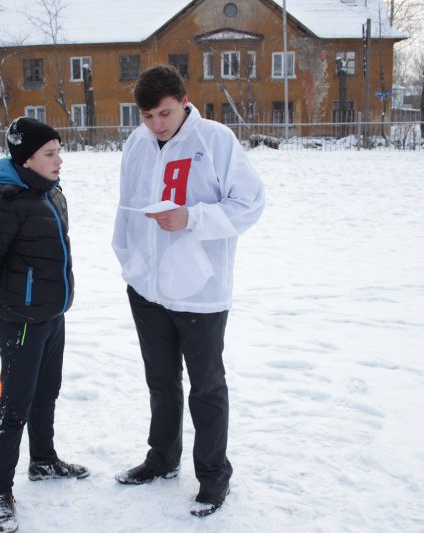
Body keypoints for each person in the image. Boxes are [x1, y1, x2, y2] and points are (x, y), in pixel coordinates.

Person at [111, 65, 265, 517]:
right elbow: (126, 207)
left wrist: (192, 217)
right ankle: (162, 459)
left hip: (200, 290)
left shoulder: (216, 140)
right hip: (147, 287)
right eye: (147, 116)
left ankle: (214, 476)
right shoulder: (137, 143)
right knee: (160, 382)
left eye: (164, 113)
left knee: (207, 387)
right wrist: (128, 260)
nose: (157, 125)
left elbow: (250, 204)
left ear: (184, 100)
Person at [0, 117, 88, 533]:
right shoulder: (4, 203)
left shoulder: (51, 193)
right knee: (14, 405)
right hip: (20, 319)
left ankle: (43, 460)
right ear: (27, 158)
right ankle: (0, 492)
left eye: (59, 152)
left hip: (53, 314)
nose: (59, 161)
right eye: (50, 154)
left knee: (46, 392)